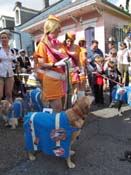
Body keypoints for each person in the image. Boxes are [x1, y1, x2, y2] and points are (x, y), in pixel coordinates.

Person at [34, 15, 68, 112]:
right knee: (57, 108)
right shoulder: (42, 44)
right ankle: (54, 127)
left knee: (60, 108)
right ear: (51, 28)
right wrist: (55, 64)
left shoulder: (59, 44)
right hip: (51, 79)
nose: (60, 31)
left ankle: (57, 126)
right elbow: (41, 64)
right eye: (58, 28)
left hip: (62, 80)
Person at [63, 31, 81, 99]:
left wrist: (81, 69)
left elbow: (78, 60)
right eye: (68, 41)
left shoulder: (77, 47)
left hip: (74, 70)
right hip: (65, 72)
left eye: (72, 41)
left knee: (76, 90)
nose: (70, 43)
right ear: (65, 40)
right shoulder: (62, 47)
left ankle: (74, 103)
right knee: (67, 92)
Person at [0, 30, 15, 103]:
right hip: (0, 74)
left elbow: (14, 61)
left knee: (9, 94)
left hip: (10, 74)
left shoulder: (12, 50)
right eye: (2, 38)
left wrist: (16, 63)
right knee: (0, 95)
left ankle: (10, 111)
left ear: (8, 39)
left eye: (5, 37)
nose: (3, 39)